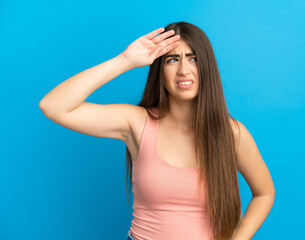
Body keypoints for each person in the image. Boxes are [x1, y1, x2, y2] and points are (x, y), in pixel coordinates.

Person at [39, 21, 275, 240]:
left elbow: (264, 193)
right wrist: (125, 60)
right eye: (172, 59)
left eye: (193, 58)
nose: (183, 70)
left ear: (207, 67)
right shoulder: (137, 123)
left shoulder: (232, 134)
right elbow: (53, 106)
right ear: (159, 70)